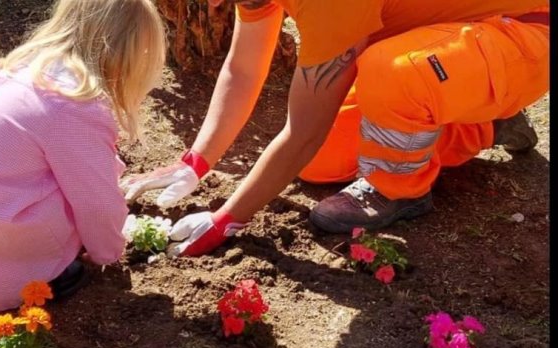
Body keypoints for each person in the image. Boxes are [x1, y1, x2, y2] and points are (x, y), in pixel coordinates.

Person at [121, 0, 549, 257]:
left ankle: (398, 192)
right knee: (322, 163)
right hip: (451, 47)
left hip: (525, 33)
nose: (213, 5)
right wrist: (196, 162)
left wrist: (227, 219)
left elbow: (303, 130)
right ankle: (486, 123)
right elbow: (244, 67)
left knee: (392, 74)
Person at [0, 0, 166, 311]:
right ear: (127, 55)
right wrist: (109, 251)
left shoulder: (31, 71)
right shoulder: (75, 105)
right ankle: (43, 274)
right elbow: (97, 201)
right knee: (79, 197)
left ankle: (4, 268)